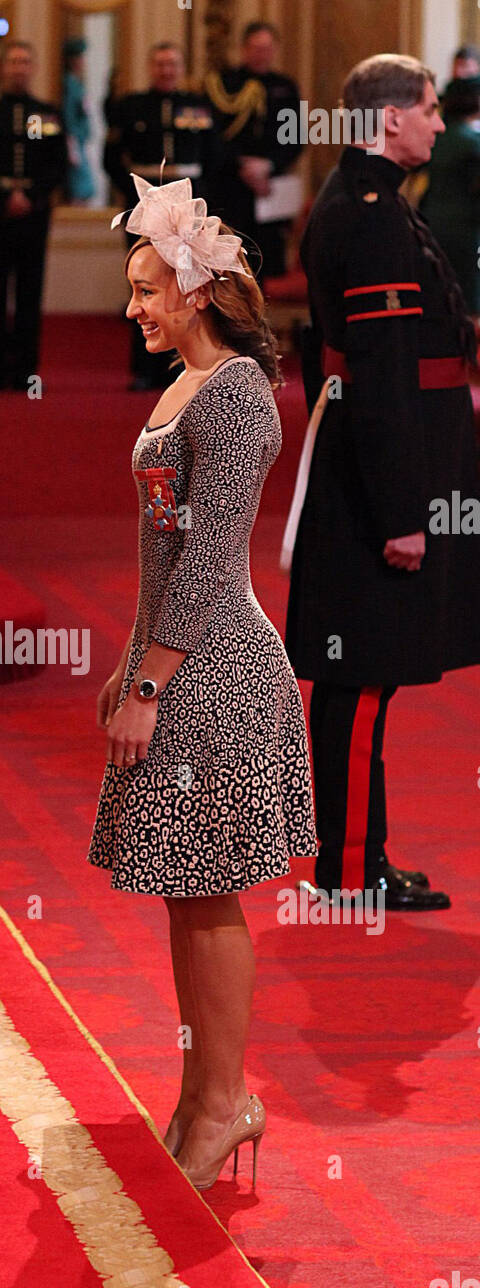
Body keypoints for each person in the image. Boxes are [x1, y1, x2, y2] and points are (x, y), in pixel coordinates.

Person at [88, 175, 317, 1191]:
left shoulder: (236, 398)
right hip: (180, 658)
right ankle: (203, 1097)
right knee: (187, 892)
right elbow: (162, 552)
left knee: (208, 890)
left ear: (198, 292)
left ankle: (224, 1105)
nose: (133, 306)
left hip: (219, 671)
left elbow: (217, 557)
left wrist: (152, 684)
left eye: (148, 288)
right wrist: (130, 663)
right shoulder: (182, 388)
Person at [283, 54, 480, 910]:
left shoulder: (370, 201)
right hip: (381, 485)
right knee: (362, 674)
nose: (441, 124)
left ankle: (360, 859)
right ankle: (350, 869)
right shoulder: (367, 217)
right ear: (390, 117)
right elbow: (386, 372)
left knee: (370, 672)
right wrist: (407, 513)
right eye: (430, 110)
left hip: (382, 471)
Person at [104, 42, 222, 390]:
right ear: (150, 67)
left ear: (181, 67)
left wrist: (202, 201)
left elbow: (215, 156)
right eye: (160, 64)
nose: (166, 70)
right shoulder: (131, 107)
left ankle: (181, 364)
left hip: (188, 209)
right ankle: (145, 368)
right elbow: (111, 158)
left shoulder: (200, 106)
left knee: (185, 286)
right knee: (145, 286)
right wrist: (133, 197)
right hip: (146, 209)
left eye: (172, 64)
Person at [0, 39, 67, 392]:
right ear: (2, 67)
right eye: (13, 62)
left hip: (34, 215)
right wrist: (4, 196)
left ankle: (26, 371)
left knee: (29, 291)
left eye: (25, 62)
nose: (19, 68)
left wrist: (31, 196)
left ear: (32, 68)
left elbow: (56, 164)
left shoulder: (45, 113)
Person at [206, 21, 303, 282]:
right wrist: (243, 166)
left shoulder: (286, 87)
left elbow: (295, 140)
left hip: (270, 190)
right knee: (228, 265)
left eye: (268, 48)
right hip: (230, 187)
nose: (262, 54)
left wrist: (268, 165)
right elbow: (213, 137)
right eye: (256, 48)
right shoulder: (222, 84)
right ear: (244, 48)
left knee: (265, 266)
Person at [420, 76, 480, 316]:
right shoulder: (473, 144)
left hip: (430, 223)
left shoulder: (435, 138)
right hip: (468, 231)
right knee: (470, 306)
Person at [62, 37, 96, 204]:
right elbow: (68, 115)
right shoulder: (69, 84)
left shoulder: (77, 83)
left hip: (81, 141)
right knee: (80, 187)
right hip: (74, 142)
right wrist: (71, 144)